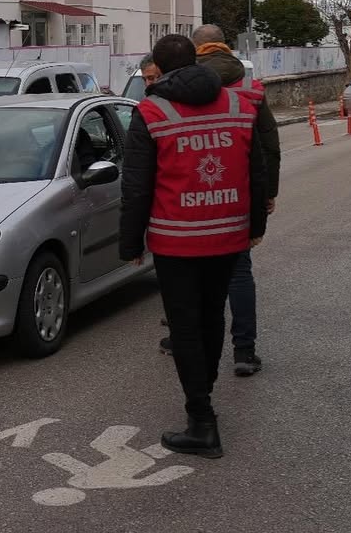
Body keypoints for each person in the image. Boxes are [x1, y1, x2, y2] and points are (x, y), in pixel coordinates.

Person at [120, 34, 269, 458]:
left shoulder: (151, 110)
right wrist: (255, 226)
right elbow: (254, 171)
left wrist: (130, 243)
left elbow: (137, 185)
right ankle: (203, 398)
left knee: (184, 327)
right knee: (212, 317)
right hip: (227, 233)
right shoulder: (240, 104)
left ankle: (202, 420)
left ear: (161, 71)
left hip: (176, 240)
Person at [158, 24, 280, 376]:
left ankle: (183, 340)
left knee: (187, 271)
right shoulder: (249, 86)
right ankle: (244, 351)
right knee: (238, 273)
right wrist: (268, 193)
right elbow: (268, 146)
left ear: (195, 51)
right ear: (226, 47)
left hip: (185, 192)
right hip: (235, 192)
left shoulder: (177, 86)